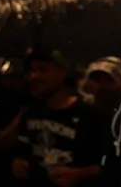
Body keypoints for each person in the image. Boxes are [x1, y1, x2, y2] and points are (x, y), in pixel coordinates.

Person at [11, 49, 108, 186]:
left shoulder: (91, 114)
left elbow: (111, 164)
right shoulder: (31, 112)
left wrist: (81, 173)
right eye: (30, 71)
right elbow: (22, 150)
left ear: (63, 72)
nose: (34, 76)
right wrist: (18, 162)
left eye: (43, 70)